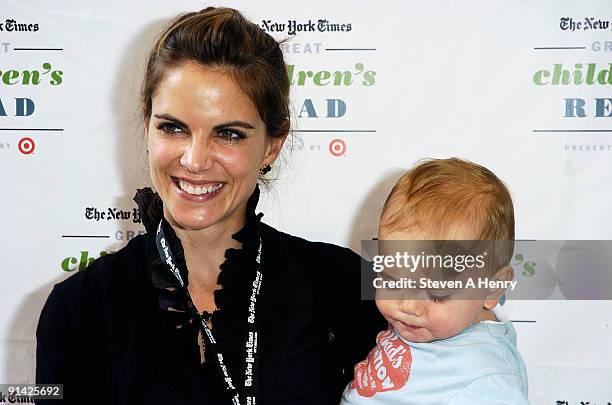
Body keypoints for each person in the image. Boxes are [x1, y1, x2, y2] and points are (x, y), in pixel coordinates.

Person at [36, 7, 385, 405]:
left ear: (272, 145)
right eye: (173, 128)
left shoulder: (344, 281)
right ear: (147, 126)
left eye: (229, 134)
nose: (195, 160)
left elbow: (461, 286)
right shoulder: (78, 309)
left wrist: (470, 293)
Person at [341, 158, 529, 404]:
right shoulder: (433, 325)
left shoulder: (487, 381)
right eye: (392, 280)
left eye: (437, 293)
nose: (407, 305)